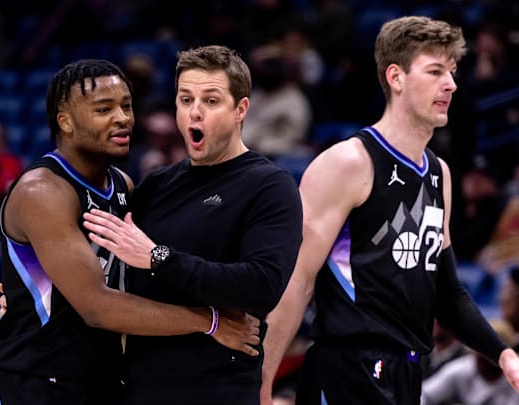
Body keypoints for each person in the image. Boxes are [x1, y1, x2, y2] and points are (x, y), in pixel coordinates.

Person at [259, 16, 519, 405]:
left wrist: (502, 353)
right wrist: (261, 383)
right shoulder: (349, 162)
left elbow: (446, 293)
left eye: (451, 72)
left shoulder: (439, 173)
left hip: (408, 372)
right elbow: (296, 282)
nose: (451, 84)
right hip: (348, 369)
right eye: (435, 71)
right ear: (395, 77)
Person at [0, 58, 261, 405]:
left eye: (126, 106)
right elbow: (97, 307)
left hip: (104, 381)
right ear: (65, 121)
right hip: (34, 382)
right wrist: (211, 321)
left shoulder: (122, 185)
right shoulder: (44, 191)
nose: (123, 118)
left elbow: (142, 271)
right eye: (104, 109)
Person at [83, 45, 303, 404]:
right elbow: (112, 275)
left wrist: (159, 257)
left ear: (240, 110)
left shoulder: (270, 186)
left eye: (211, 101)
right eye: (185, 100)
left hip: (218, 389)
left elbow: (262, 286)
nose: (194, 113)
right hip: (140, 387)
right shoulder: (156, 185)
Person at [421, 319, 519, 405]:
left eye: (491, 357)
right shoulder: (462, 369)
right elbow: (425, 395)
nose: (486, 360)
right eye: (481, 354)